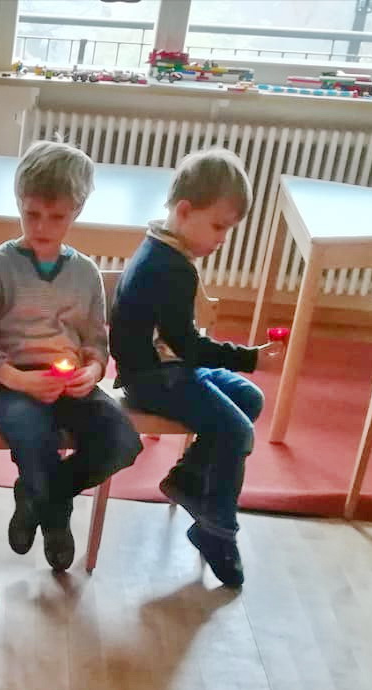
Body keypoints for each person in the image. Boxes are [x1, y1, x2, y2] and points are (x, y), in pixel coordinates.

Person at [0, 140, 141, 573]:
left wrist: (93, 370)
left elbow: (96, 342)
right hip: (15, 383)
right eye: (31, 214)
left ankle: (43, 497)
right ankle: (56, 519)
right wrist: (19, 380)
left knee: (122, 440)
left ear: (76, 211)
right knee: (34, 439)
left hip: (70, 383)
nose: (41, 226)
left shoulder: (85, 273)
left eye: (56, 217)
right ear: (19, 204)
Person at [111, 147, 275, 588]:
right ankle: (217, 530)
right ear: (184, 211)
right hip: (154, 378)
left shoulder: (165, 249)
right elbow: (188, 346)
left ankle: (188, 477)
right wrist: (248, 357)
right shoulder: (169, 267)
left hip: (169, 369)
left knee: (248, 398)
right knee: (237, 431)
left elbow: (181, 346)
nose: (222, 239)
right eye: (219, 226)